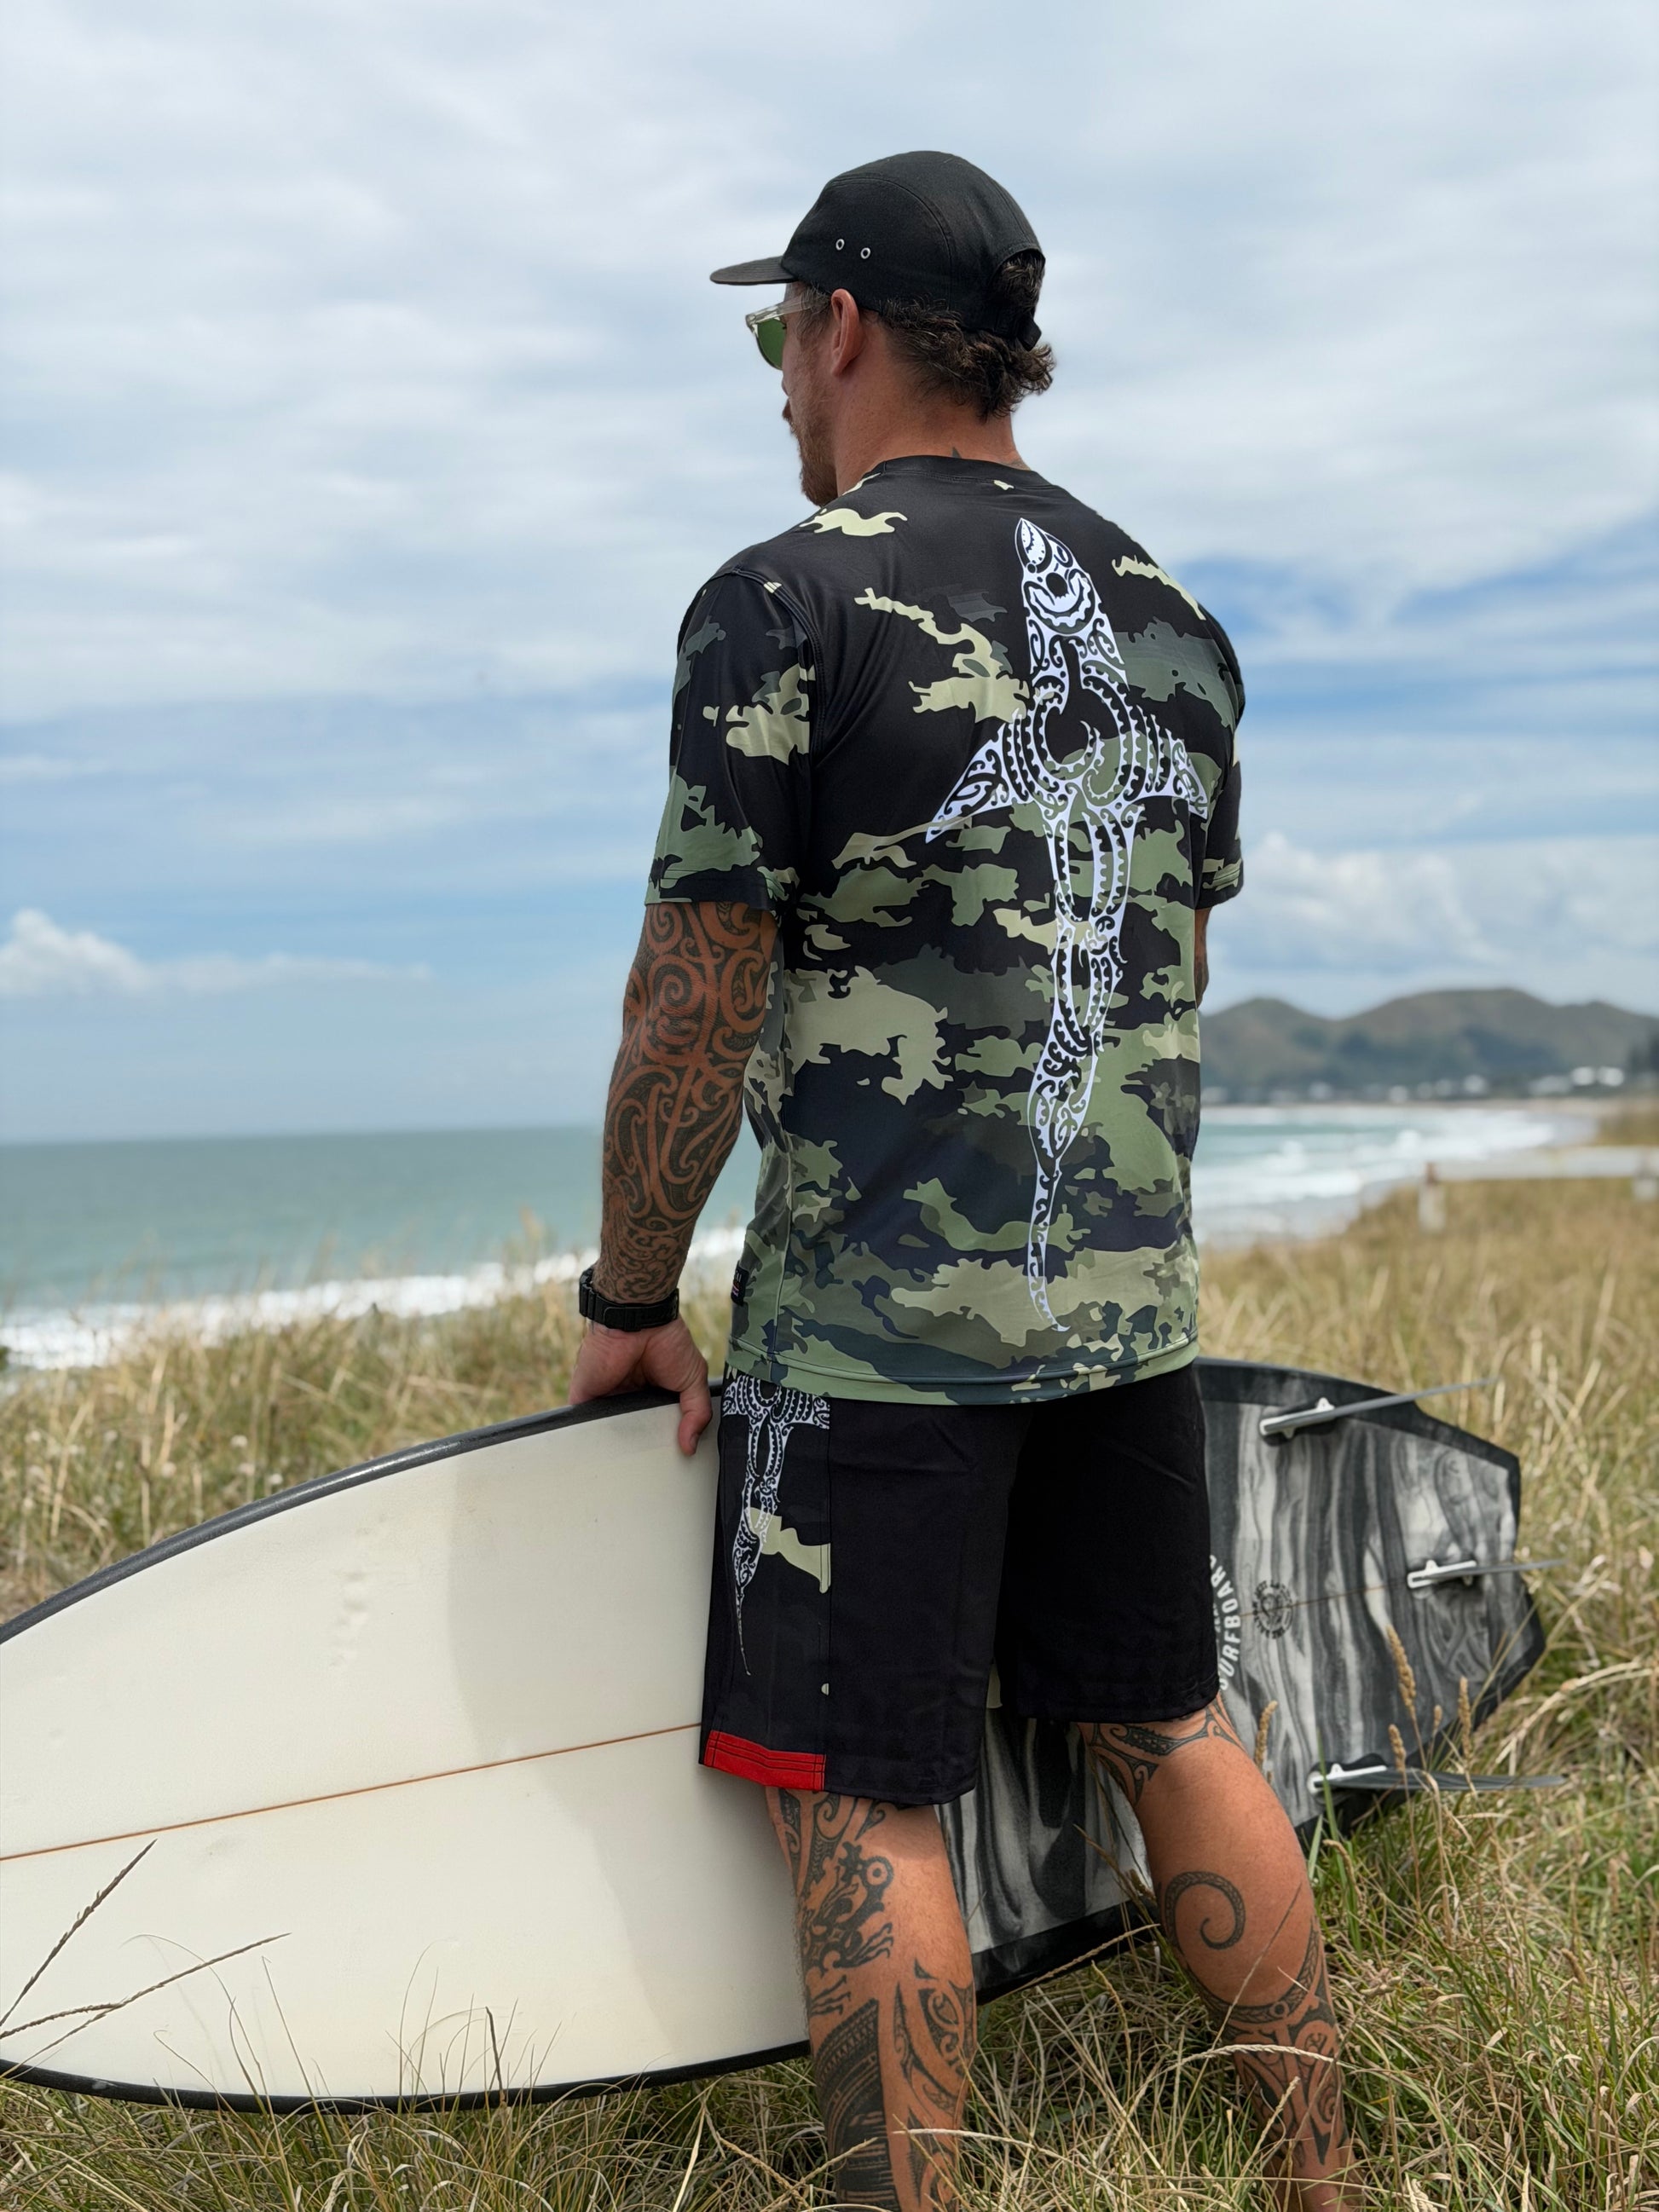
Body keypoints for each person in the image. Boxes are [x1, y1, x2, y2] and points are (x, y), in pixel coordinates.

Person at [569, 151, 1358, 2211]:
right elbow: (1161, 958)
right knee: (1170, 1728)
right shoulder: (1180, 626)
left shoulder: (785, 596)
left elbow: (694, 993)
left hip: (872, 1333)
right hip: (1118, 1311)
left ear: (840, 329)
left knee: (861, 1804)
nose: (775, 383)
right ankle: (1324, 2177)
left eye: (777, 338)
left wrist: (628, 1288)